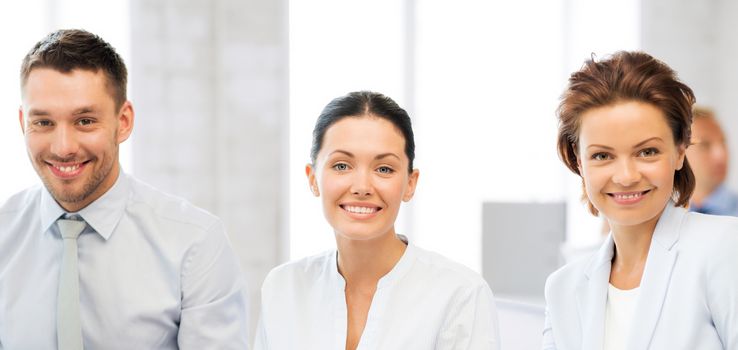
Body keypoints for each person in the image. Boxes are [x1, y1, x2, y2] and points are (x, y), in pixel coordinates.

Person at [0, 29, 249, 349]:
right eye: (44, 122)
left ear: (125, 121)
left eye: (85, 121)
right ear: (24, 123)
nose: (63, 148)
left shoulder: (195, 244)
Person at [254, 91, 500, 350]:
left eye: (384, 169)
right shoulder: (283, 286)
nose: (362, 187)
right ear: (313, 178)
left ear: (410, 184)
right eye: (341, 166)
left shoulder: (459, 294)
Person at [543, 51, 738, 349]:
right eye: (602, 155)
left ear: (680, 152)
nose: (626, 176)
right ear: (579, 163)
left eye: (647, 152)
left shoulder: (725, 247)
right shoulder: (563, 289)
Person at [686, 106, 738, 215]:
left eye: (723, 142)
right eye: (705, 145)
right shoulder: (659, 217)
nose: (721, 155)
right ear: (679, 153)